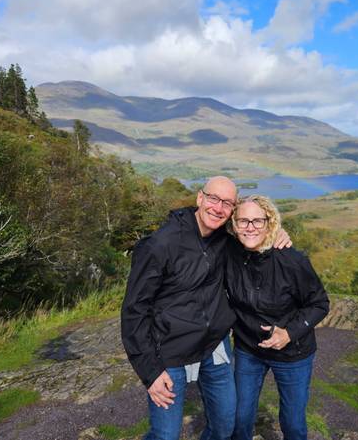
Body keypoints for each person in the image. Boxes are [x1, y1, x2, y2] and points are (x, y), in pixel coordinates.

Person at [121, 177, 290, 440]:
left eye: (227, 203)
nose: (218, 208)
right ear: (200, 198)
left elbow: (253, 237)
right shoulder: (160, 244)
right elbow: (134, 311)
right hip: (170, 351)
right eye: (213, 199)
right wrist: (150, 372)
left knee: (224, 427)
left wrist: (276, 233)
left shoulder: (225, 239)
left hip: (214, 346)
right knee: (165, 436)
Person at [225, 195, 330, 440]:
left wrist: (289, 333)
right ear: (234, 225)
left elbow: (319, 303)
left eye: (257, 221)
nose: (250, 227)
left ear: (269, 223)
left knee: (293, 424)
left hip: (293, 354)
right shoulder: (230, 251)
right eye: (243, 221)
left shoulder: (292, 260)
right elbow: (207, 215)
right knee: (239, 418)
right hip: (248, 350)